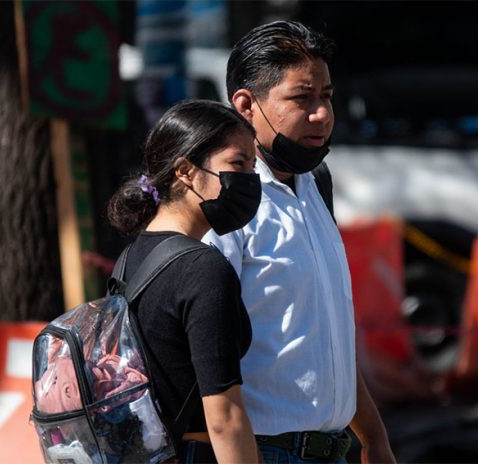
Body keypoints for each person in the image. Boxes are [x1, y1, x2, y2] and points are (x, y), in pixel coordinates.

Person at [204, 21, 396, 463]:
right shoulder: (223, 202)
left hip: (334, 450)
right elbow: (208, 362)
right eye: (301, 98)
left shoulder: (315, 184)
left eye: (326, 96)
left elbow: (326, 334)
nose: (322, 114)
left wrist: (374, 438)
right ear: (247, 105)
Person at [107, 100, 262, 463]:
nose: (251, 181)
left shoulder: (130, 259)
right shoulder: (203, 268)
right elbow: (224, 417)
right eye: (238, 164)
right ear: (185, 172)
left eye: (253, 166)